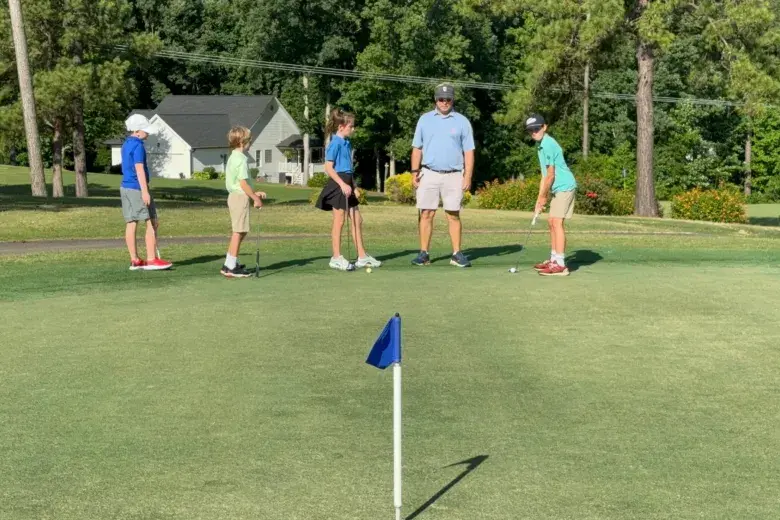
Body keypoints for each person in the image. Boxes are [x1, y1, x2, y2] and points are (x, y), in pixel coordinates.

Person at [410, 82, 475, 268]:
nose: (444, 102)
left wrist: (468, 176)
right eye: (441, 99)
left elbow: (469, 151)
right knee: (426, 213)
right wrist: (414, 173)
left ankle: (456, 253)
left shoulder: (462, 121)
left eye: (448, 99)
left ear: (452, 100)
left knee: (453, 214)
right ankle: (424, 254)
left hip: (454, 174)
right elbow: (417, 148)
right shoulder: (424, 119)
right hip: (428, 173)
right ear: (435, 99)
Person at [315, 108, 382, 271]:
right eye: (351, 126)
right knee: (339, 221)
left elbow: (348, 168)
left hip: (347, 183)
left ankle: (362, 256)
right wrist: (343, 185)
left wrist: (354, 186)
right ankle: (336, 257)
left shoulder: (347, 143)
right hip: (338, 185)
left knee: (357, 220)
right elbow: (329, 168)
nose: (353, 129)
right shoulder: (335, 143)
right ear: (341, 127)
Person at [526, 114, 577, 277]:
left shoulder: (548, 144)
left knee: (556, 222)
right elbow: (544, 176)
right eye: (530, 130)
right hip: (557, 188)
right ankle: (554, 259)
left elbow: (551, 175)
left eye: (536, 128)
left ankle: (560, 264)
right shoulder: (541, 146)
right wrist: (539, 198)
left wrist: (543, 197)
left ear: (544, 127)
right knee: (551, 222)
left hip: (564, 186)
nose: (534, 132)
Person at [120, 113, 172, 271]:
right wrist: (145, 191)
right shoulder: (138, 146)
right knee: (151, 221)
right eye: (145, 130)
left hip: (125, 187)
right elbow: (139, 169)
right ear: (136, 130)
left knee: (131, 222)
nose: (147, 133)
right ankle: (151, 259)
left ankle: (135, 260)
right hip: (137, 188)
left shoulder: (126, 144)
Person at [222, 126, 266, 278]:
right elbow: (243, 183)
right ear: (241, 142)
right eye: (249, 140)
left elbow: (243, 184)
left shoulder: (233, 156)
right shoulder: (240, 159)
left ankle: (229, 262)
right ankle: (231, 266)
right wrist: (256, 198)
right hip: (239, 197)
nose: (250, 142)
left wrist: (254, 193)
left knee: (241, 230)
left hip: (237, 196)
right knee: (239, 231)